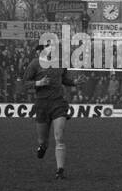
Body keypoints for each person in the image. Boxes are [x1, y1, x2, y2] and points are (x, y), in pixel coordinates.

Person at [19, 41, 79, 180]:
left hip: (58, 103)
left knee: (59, 137)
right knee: (43, 140)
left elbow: (64, 79)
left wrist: (75, 82)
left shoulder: (61, 63)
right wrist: (38, 83)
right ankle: (43, 146)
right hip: (42, 105)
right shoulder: (35, 64)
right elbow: (24, 83)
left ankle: (60, 170)